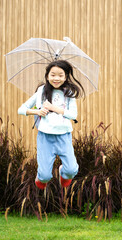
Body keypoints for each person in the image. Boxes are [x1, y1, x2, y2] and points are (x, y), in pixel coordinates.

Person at [18, 60, 84, 190]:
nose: (56, 78)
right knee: (44, 176)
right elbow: (21, 109)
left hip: (64, 136)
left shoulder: (69, 93)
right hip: (45, 137)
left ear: (66, 77)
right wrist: (37, 111)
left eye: (61, 75)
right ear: (47, 76)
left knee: (71, 170)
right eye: (53, 74)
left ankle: (62, 172)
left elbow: (73, 115)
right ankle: (41, 178)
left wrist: (54, 108)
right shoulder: (41, 91)